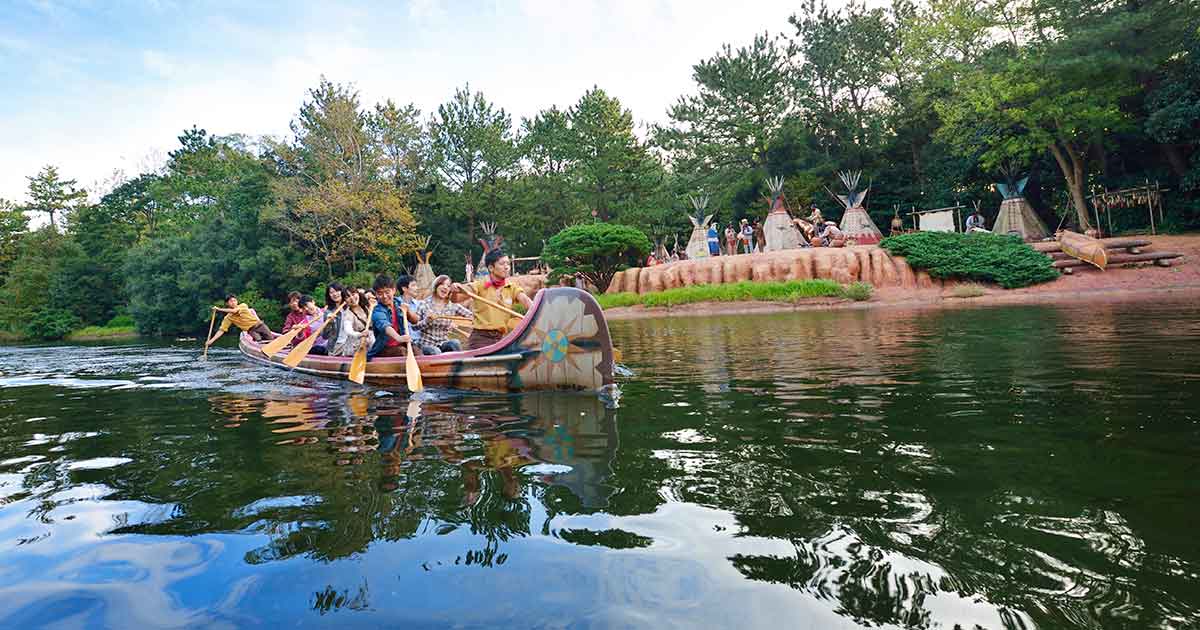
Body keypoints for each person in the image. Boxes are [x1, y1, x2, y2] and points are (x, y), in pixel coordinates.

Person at [454, 250, 532, 351]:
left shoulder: (512, 288)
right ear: (491, 268)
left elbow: (526, 301)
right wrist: (455, 290)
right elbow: (456, 298)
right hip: (481, 339)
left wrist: (538, 311)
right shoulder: (480, 285)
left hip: (501, 339)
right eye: (502, 264)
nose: (506, 267)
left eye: (508, 263)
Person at [367, 274, 418, 359]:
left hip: (402, 344)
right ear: (375, 294)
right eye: (380, 293)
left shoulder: (398, 302)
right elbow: (385, 326)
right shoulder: (377, 311)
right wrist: (398, 338)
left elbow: (415, 320)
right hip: (384, 348)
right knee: (402, 352)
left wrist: (408, 311)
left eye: (387, 292)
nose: (384, 296)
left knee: (417, 351)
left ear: (393, 290)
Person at [418, 275, 472, 354]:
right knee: (436, 351)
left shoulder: (452, 305)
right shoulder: (424, 304)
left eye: (448, 286)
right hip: (426, 344)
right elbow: (414, 327)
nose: (445, 287)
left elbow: (470, 315)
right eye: (442, 284)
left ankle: (458, 361)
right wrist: (426, 321)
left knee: (455, 343)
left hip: (443, 343)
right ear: (436, 286)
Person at [204, 294, 272, 348]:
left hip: (260, 325)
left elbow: (235, 311)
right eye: (231, 301)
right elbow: (221, 330)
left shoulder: (243, 305)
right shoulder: (228, 318)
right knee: (259, 342)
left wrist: (219, 309)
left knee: (270, 339)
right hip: (251, 330)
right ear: (227, 304)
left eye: (234, 300)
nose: (233, 302)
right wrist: (211, 341)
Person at [331, 287, 373, 356]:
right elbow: (348, 330)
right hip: (356, 345)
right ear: (345, 300)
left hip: (371, 339)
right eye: (348, 297)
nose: (352, 298)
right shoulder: (348, 314)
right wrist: (359, 334)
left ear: (358, 294)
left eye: (353, 294)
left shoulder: (367, 307)